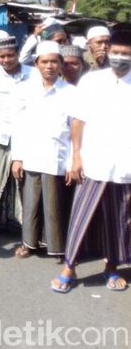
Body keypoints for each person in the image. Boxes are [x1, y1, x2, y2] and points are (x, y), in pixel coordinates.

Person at [51, 29, 131, 293]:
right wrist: (76, 156)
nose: (120, 58)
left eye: (126, 55)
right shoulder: (92, 81)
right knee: (81, 215)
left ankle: (111, 268)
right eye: (116, 52)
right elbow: (78, 120)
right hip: (94, 161)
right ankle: (69, 268)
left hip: (125, 167)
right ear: (108, 52)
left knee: (119, 220)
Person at [10, 41, 75, 260]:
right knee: (31, 203)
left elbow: (75, 130)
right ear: (37, 63)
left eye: (54, 62)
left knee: (54, 205)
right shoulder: (25, 90)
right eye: (44, 61)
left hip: (58, 156)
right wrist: (17, 158)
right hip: (31, 155)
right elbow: (18, 125)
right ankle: (29, 244)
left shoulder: (70, 92)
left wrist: (72, 162)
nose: (49, 66)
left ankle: (56, 247)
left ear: (60, 64)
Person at [0, 36, 33, 236]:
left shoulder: (33, 74)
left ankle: (22, 223)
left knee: (23, 179)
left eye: (10, 55)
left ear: (18, 54)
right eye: (2, 56)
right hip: (0, 136)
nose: (6, 60)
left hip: (27, 136)